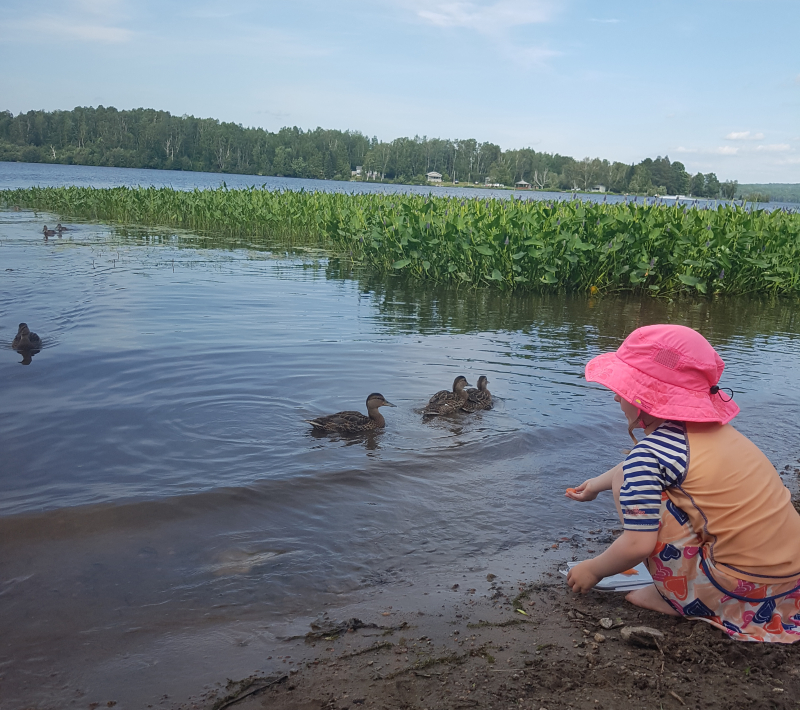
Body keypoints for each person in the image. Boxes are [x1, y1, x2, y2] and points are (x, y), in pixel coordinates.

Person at [566, 324, 800, 643]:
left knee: (628, 484)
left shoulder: (648, 456)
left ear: (644, 399)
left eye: (623, 390)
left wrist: (593, 569)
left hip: (738, 594)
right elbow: (653, 466)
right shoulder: (719, 434)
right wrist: (595, 485)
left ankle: (677, 597)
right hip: (789, 585)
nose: (616, 395)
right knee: (633, 476)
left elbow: (638, 545)